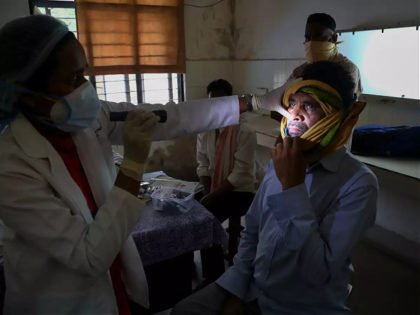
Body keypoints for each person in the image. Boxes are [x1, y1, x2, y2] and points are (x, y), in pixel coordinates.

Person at [0, 15, 249, 315]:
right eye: (72, 79)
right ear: (27, 95)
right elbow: (89, 256)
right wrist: (132, 163)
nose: (86, 90)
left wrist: (250, 103)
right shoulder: (10, 164)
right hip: (61, 301)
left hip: (119, 282)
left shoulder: (88, 119)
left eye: (85, 74)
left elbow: (173, 116)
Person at [171, 61, 378, 315]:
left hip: (301, 306)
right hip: (253, 287)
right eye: (292, 104)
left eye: (310, 106)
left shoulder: (358, 183)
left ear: (337, 117)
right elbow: (253, 233)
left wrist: (293, 188)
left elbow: (317, 272)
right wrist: (237, 291)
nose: (295, 115)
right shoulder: (279, 161)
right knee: (184, 310)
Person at [197, 79, 256, 284]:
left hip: (240, 192)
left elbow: (239, 174)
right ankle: (194, 268)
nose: (217, 107)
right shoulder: (205, 129)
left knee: (206, 217)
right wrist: (206, 193)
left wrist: (210, 197)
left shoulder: (244, 130)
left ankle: (214, 277)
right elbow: (202, 163)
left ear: (231, 103)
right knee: (184, 209)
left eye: (222, 102)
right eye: (213, 102)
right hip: (215, 187)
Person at [251, 12, 362, 113]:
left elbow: (344, 109)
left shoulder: (348, 69)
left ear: (333, 38)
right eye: (307, 38)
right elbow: (285, 100)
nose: (311, 42)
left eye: (318, 36)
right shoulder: (301, 70)